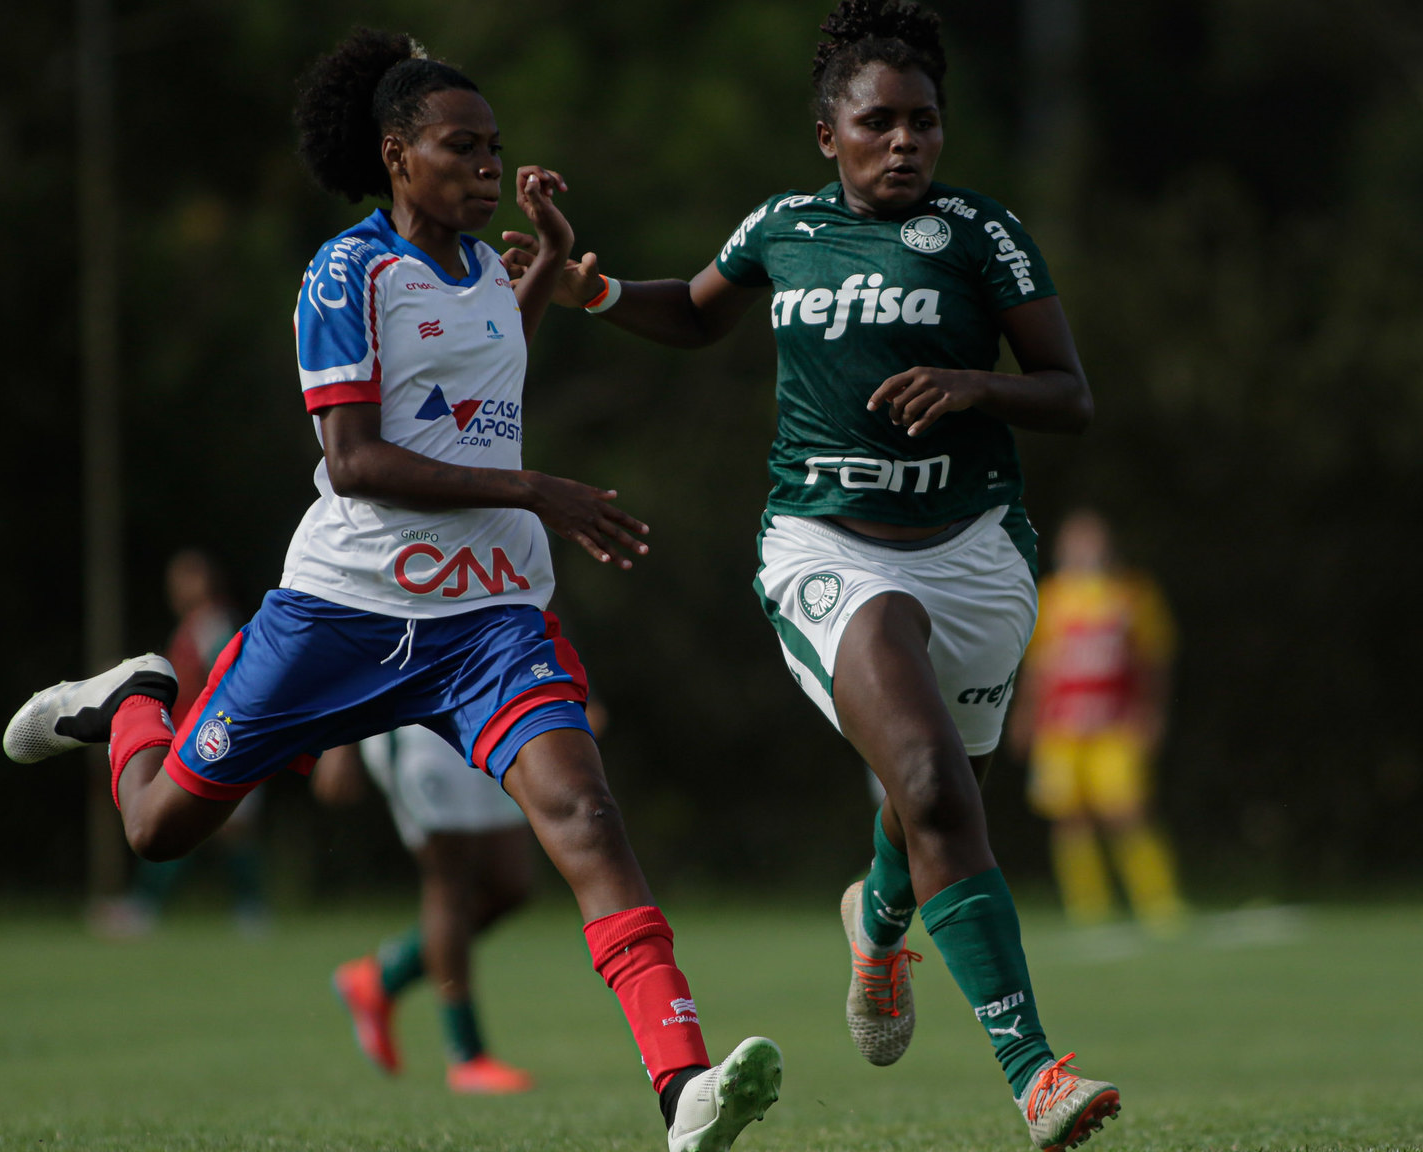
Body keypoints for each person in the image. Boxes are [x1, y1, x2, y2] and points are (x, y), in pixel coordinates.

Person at [2, 29, 780, 1152]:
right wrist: (537, 488)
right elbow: (359, 460)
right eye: (460, 147)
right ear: (396, 156)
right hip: (343, 613)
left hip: (490, 621)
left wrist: (548, 267)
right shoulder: (345, 272)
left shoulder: (483, 272)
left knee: (587, 821)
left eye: (494, 148)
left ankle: (683, 1089)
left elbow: (477, 373)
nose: (485, 167)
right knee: (157, 829)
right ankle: (133, 698)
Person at [500, 3, 1117, 1146]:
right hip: (824, 547)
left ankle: (879, 922)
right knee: (931, 775)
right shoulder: (780, 227)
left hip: (975, 552)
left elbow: (1069, 394)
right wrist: (591, 293)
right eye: (876, 122)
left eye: (923, 122)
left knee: (932, 793)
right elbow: (694, 316)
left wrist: (977, 386)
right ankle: (1036, 1075)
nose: (904, 143)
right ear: (825, 134)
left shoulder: (982, 234)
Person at [315, 717, 552, 1094]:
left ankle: (380, 978)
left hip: (483, 713)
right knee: (450, 882)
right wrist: (338, 739)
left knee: (512, 884)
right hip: (414, 725)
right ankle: (467, 1056)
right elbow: (336, 653)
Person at [1011, 510, 1185, 935]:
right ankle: (1089, 910)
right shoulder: (1051, 599)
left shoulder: (1133, 595)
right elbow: (1038, 669)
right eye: (1077, 542)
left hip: (1115, 725)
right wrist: (1025, 717)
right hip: (1063, 728)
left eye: (1094, 541)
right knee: (1070, 817)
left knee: (1128, 810)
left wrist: (1152, 712)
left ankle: (1160, 905)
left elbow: (1154, 660)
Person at [95, 550, 270, 938]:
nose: (176, 587)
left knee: (183, 821)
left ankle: (150, 907)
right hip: (206, 741)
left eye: (185, 578)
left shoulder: (211, 623)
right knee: (204, 826)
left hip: (217, 742)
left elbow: (231, 671)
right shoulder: (195, 624)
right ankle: (249, 913)